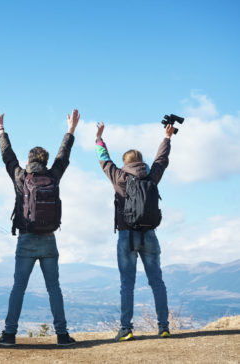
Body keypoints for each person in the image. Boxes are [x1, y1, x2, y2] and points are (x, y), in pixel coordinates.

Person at [0, 107, 79, 347]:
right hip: (49, 238)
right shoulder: (54, 175)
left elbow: (7, 155)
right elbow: (64, 155)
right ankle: (62, 335)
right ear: (45, 161)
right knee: (54, 289)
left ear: (29, 161)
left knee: (18, 288)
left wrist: (0, 128)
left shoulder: (20, 177)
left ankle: (9, 334)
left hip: (26, 238)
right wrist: (70, 130)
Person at [95, 122, 174, 341]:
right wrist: (166, 138)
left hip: (126, 237)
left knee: (127, 284)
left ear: (125, 163)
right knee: (157, 282)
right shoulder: (151, 175)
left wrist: (99, 139)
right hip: (150, 235)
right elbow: (161, 159)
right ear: (141, 161)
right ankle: (164, 326)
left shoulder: (119, 177)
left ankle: (126, 329)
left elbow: (103, 159)